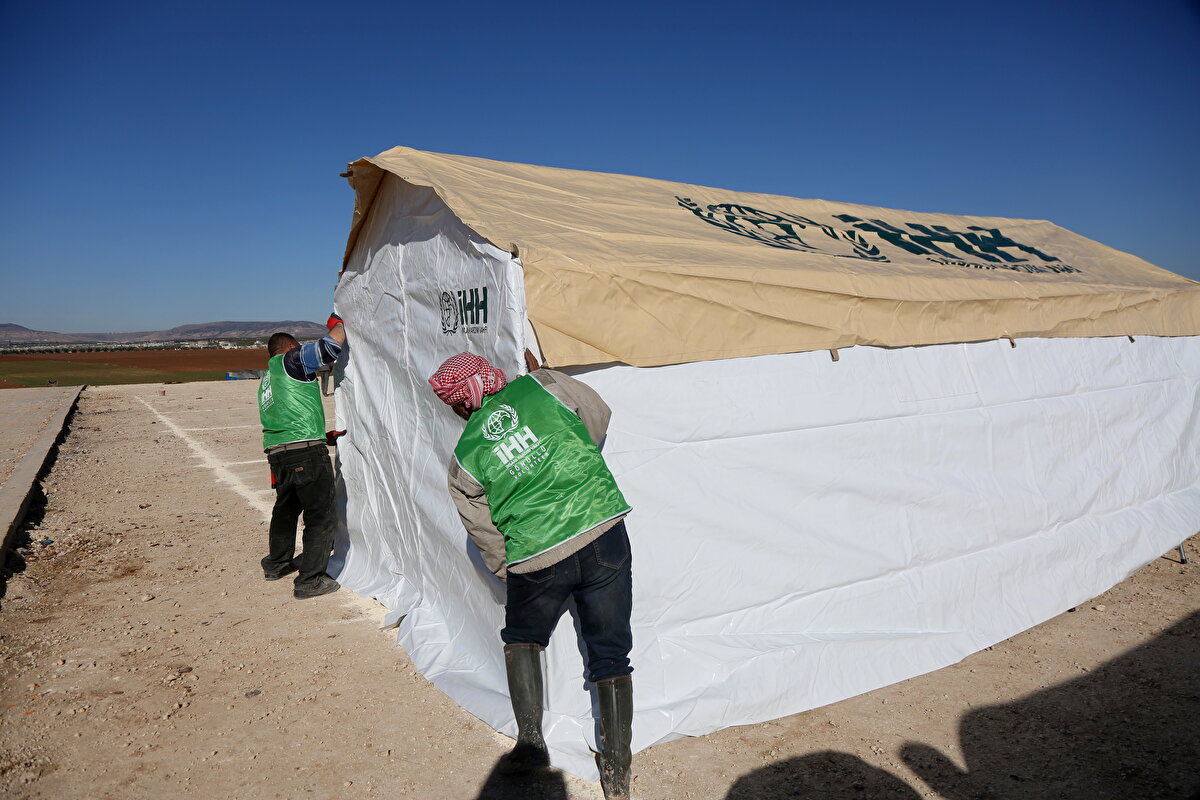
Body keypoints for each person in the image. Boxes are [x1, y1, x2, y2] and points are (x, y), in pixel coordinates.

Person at [430, 350, 635, 800]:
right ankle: (617, 773)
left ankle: (531, 745)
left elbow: (481, 527)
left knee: (523, 639)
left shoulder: (465, 454)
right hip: (603, 529)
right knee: (611, 654)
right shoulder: (544, 385)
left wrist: (508, 570)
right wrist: (577, 460)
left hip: (537, 555)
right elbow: (597, 414)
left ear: (462, 402)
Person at [258, 313, 346, 599]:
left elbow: (288, 414)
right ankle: (310, 580)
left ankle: (277, 563)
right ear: (290, 347)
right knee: (320, 515)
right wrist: (341, 320)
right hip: (304, 452)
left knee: (286, 509)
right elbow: (330, 347)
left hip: (278, 452)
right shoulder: (291, 361)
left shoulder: (268, 377)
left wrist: (325, 435)